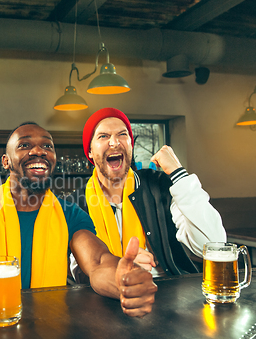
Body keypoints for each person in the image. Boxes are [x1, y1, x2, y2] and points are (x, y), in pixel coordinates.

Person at [0, 122, 157, 318]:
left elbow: (98, 263)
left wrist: (122, 282)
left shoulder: (71, 214)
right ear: (6, 161)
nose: (39, 151)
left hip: (52, 335)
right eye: (24, 145)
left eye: (47, 146)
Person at [67, 107, 226, 281]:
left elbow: (213, 245)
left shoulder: (159, 185)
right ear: (89, 151)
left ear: (130, 145)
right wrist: (120, 268)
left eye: (122, 134)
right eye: (103, 136)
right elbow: (78, 270)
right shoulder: (75, 204)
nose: (114, 142)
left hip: (172, 292)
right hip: (104, 298)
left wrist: (178, 174)